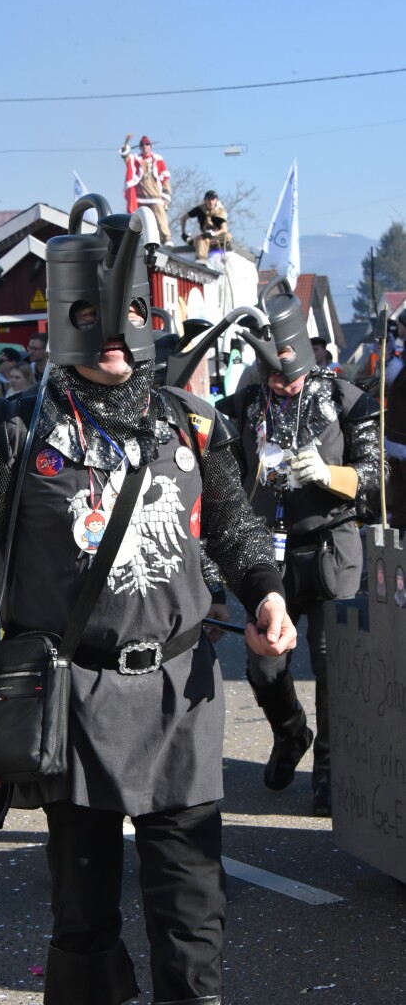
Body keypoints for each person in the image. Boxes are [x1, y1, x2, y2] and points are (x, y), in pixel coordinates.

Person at [0, 194, 296, 1005]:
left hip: (178, 697)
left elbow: (231, 531)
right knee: (83, 922)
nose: (117, 330)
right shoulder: (14, 435)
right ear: (64, 317)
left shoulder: (191, 426)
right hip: (74, 702)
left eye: (130, 308)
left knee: (192, 919)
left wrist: (266, 596)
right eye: (93, 311)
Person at [217, 277, 381, 817]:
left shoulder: (346, 399)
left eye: (288, 372)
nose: (281, 384)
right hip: (271, 554)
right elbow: (220, 476)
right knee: (265, 667)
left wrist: (330, 474)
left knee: (335, 668)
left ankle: (330, 772)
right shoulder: (242, 406)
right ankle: (291, 734)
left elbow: (376, 478)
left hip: (334, 547)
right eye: (271, 374)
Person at [119, 133, 173, 245]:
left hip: (155, 197)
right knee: (138, 220)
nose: (145, 147)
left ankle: (166, 239)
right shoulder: (136, 160)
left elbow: (165, 180)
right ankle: (135, 240)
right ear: (140, 147)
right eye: (142, 145)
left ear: (150, 146)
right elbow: (126, 157)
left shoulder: (158, 160)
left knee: (161, 219)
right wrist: (126, 142)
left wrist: (166, 197)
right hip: (140, 198)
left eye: (147, 144)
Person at [385, 310, 406, 532]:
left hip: (403, 431)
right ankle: (400, 524)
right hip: (398, 430)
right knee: (399, 486)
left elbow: (400, 380)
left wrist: (391, 360)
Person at [180, 191, 231, 263]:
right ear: (205, 200)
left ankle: (196, 245)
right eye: (209, 199)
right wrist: (183, 233)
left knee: (227, 236)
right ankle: (201, 260)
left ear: (216, 200)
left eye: (213, 199)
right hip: (204, 236)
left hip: (216, 236)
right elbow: (183, 218)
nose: (211, 202)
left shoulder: (219, 212)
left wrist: (212, 234)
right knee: (202, 239)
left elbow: (224, 229)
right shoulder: (200, 209)